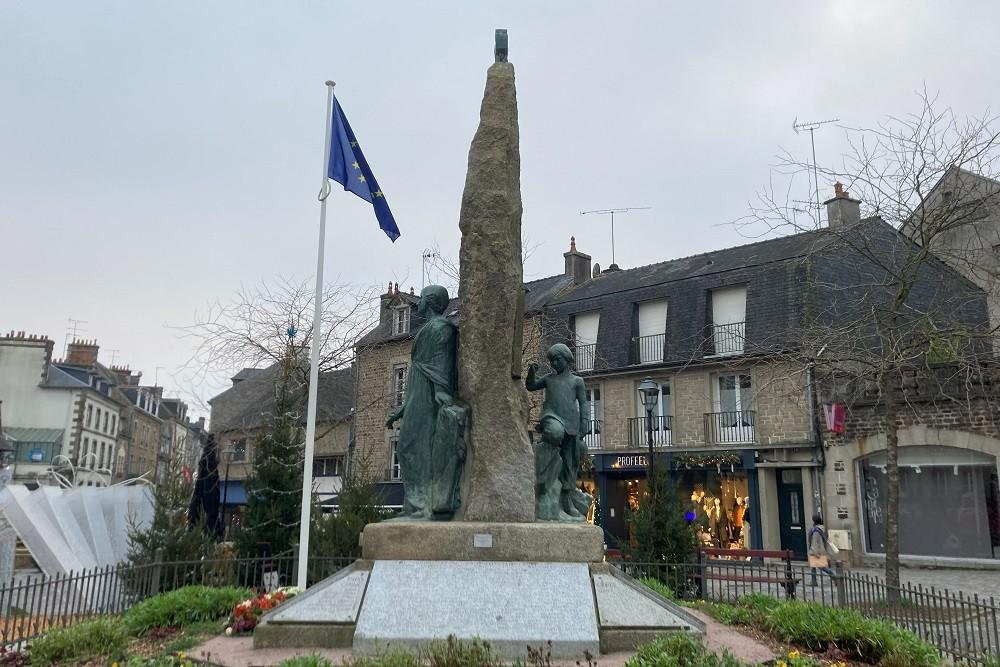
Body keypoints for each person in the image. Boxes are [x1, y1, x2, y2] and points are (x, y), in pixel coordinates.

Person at [385, 285, 458, 520]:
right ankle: (416, 505)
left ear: (430, 301)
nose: (421, 302)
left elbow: (441, 363)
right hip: (418, 394)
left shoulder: (441, 328)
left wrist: (440, 392)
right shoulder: (429, 328)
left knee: (413, 448)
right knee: (408, 448)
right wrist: (402, 409)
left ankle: (424, 506)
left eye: (423, 297)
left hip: (429, 395)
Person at [526, 343, 590, 521]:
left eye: (557, 359)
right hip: (551, 417)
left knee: (570, 465)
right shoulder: (548, 379)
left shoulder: (577, 381)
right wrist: (531, 371)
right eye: (552, 360)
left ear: (567, 359)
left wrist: (585, 422)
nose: (554, 363)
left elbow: (584, 403)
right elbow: (531, 386)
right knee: (555, 432)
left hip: (571, 423)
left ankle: (567, 501)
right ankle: (547, 484)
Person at [808, 513, 836, 585]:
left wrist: (815, 552)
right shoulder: (821, 529)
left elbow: (815, 543)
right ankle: (813, 581)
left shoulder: (815, 531)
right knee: (813, 567)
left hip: (817, 551)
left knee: (822, 567)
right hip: (820, 550)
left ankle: (834, 576)